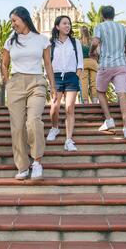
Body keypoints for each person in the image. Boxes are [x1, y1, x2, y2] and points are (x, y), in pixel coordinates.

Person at [2, 6, 56, 180]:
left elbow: (48, 64)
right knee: (17, 128)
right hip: (16, 83)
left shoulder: (42, 40)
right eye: (11, 21)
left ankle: (37, 161)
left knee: (33, 121)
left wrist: (53, 86)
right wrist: (7, 81)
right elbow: (4, 64)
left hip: (36, 83)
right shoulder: (10, 41)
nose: (12, 25)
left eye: (14, 21)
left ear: (24, 19)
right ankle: (22, 166)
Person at [90, 5, 126, 139]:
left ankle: (109, 120)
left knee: (100, 92)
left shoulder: (100, 26)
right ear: (114, 15)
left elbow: (96, 41)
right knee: (122, 95)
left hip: (106, 64)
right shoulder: (123, 28)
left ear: (102, 15)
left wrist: (91, 51)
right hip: (121, 65)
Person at [46, 16, 83, 151]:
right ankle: (54, 128)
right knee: (54, 106)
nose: (68, 26)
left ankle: (68, 140)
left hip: (71, 76)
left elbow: (80, 62)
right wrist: (50, 81)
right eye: (64, 23)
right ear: (57, 26)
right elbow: (47, 63)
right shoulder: (51, 43)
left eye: (69, 24)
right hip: (55, 77)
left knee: (69, 108)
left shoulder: (75, 42)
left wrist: (77, 76)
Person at [79, 26, 98, 104]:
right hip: (93, 62)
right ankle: (95, 100)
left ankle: (85, 101)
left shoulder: (79, 42)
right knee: (94, 82)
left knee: (84, 82)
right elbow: (96, 53)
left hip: (83, 63)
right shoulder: (92, 41)